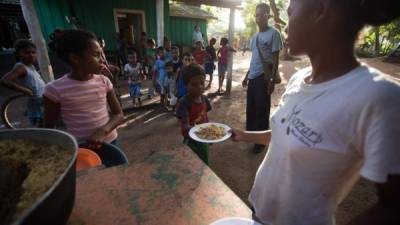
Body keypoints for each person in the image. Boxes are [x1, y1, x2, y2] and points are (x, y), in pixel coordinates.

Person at [232, 1, 400, 225]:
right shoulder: (298, 79)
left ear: (321, 10)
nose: (285, 26)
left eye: (291, 13)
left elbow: (394, 207)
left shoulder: (378, 97)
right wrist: (242, 135)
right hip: (259, 210)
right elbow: (285, 134)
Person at [43, 30, 125, 165]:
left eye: (102, 55)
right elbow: (49, 128)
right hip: (81, 148)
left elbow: (119, 114)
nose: (103, 61)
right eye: (96, 55)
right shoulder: (54, 90)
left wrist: (103, 132)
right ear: (75, 58)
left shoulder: (104, 81)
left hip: (110, 142)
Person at [242, 3, 283, 153]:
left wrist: (271, 80)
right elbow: (255, 59)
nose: (257, 18)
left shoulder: (274, 34)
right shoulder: (255, 37)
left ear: (268, 16)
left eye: (261, 14)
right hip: (253, 78)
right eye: (256, 15)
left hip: (263, 78)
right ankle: (252, 136)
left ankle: (260, 143)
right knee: (251, 109)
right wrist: (247, 76)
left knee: (262, 109)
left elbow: (275, 59)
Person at [0, 39, 46, 127]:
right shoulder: (21, 67)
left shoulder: (30, 67)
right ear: (18, 54)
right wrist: (25, 90)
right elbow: (5, 81)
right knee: (42, 128)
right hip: (37, 102)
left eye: (33, 52)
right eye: (26, 52)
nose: (31, 55)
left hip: (41, 100)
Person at [175, 63, 211, 164]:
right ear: (186, 85)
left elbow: (205, 116)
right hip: (190, 141)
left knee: (204, 162)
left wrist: (210, 135)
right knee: (190, 163)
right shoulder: (184, 102)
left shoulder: (204, 99)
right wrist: (201, 130)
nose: (199, 87)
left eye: (202, 83)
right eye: (194, 84)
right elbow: (185, 125)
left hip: (203, 139)